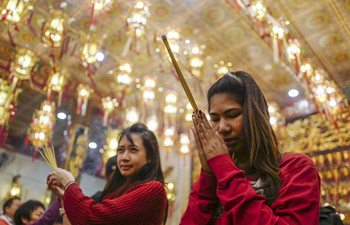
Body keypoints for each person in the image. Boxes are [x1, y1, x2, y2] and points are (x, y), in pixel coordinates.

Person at [180, 71, 320, 224]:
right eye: (215, 119)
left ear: (255, 115)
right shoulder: (215, 178)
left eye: (232, 115)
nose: (222, 128)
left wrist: (224, 166)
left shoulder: (296, 167)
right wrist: (208, 175)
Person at [47, 123, 167, 225]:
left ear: (150, 156)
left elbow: (93, 217)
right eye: (121, 150)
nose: (124, 157)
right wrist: (65, 197)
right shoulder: (117, 191)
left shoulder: (154, 189)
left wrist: (69, 183)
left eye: (133, 150)